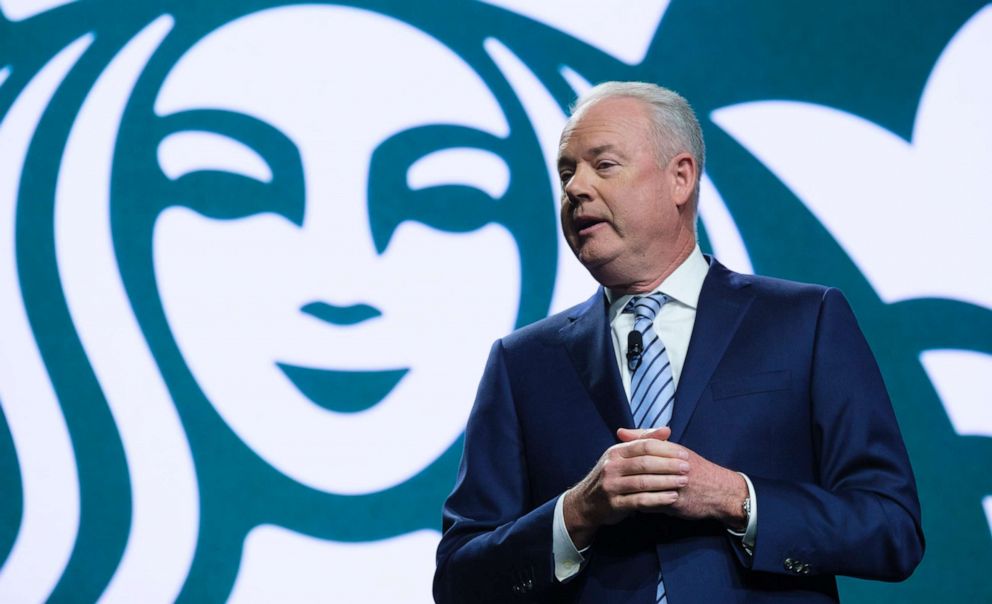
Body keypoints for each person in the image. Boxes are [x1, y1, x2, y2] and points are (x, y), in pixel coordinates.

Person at [433, 81, 924, 603]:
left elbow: (891, 530)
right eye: (565, 172)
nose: (576, 188)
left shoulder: (805, 322)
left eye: (603, 165)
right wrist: (577, 512)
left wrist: (735, 497)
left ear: (680, 178)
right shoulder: (522, 363)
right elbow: (460, 579)